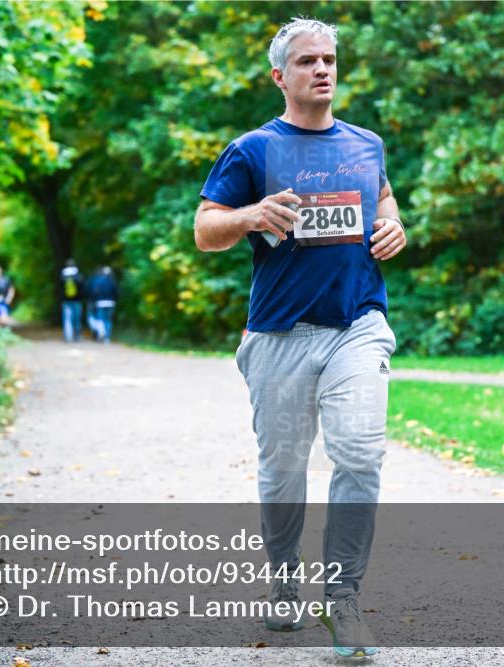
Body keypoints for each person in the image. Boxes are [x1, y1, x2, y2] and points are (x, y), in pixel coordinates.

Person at [193, 17, 406, 658]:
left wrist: (395, 226)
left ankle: (344, 600)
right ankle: (285, 581)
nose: (323, 69)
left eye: (330, 59)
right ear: (280, 75)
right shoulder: (253, 150)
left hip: (358, 327)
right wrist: (250, 215)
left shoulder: (367, 144)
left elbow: (386, 199)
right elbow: (206, 229)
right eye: (308, 60)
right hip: (280, 336)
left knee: (361, 455)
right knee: (284, 473)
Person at [85, 266, 119, 343]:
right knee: (108, 320)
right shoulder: (112, 281)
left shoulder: (98, 281)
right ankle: (107, 337)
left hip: (100, 302)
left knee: (100, 319)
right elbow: (116, 292)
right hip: (110, 303)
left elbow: (94, 291)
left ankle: (101, 331)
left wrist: (95, 299)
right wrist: (114, 300)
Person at [58, 259, 84, 342]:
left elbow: (59, 289)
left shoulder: (62, 275)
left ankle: (68, 336)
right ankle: (77, 335)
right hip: (77, 300)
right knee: (77, 319)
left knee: (67, 319)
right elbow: (82, 287)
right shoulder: (78, 275)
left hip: (66, 301)